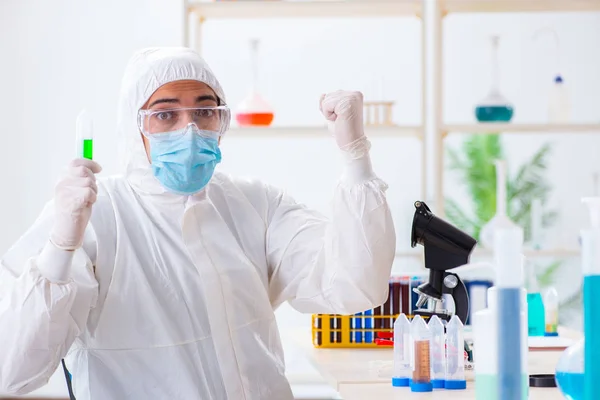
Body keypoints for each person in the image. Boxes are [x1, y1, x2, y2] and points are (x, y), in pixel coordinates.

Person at [0, 47, 396, 400]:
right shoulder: (92, 214)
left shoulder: (255, 203)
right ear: (133, 125)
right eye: (165, 114)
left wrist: (355, 157)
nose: (188, 130)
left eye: (205, 111)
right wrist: (60, 247)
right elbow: (14, 371)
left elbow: (355, 285)